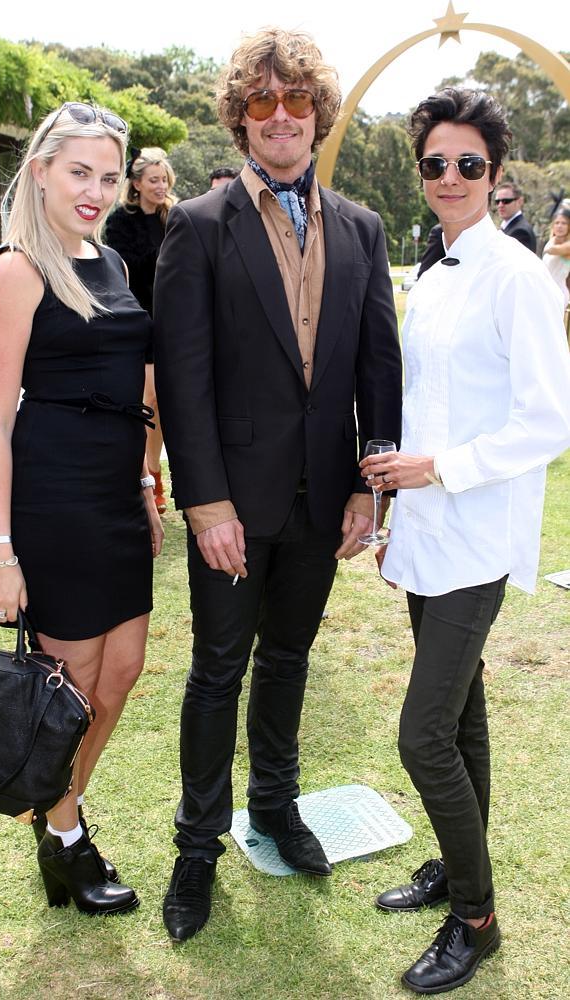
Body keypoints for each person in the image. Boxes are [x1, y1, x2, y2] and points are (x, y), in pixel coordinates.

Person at [154, 27, 402, 941]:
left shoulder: (363, 229)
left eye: (296, 100)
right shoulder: (197, 225)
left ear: (317, 112)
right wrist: (204, 503)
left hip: (323, 496)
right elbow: (182, 377)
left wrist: (370, 485)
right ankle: (195, 847)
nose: (281, 117)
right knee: (218, 670)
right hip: (231, 503)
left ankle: (275, 810)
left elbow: (380, 366)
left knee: (289, 660)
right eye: (261, 101)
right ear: (240, 116)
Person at [361, 88, 570, 994]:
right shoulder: (434, 271)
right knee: (462, 722)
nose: (450, 178)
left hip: (477, 532)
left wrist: (437, 471)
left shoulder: (515, 275)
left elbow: (548, 421)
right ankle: (458, 865)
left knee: (422, 737)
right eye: (436, 164)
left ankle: (476, 920)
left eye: (469, 164)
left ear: (496, 173)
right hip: (427, 534)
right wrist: (399, 498)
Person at [0, 102, 164, 915]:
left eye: (108, 175)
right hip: (55, 501)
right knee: (74, 683)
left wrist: (149, 485)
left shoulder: (109, 262)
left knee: (122, 673)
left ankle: (57, 811)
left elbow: (138, 390)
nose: (95, 189)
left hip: (118, 496)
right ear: (42, 171)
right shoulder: (17, 269)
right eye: (79, 171)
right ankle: (63, 835)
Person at [104, 147, 177, 514]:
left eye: (164, 179)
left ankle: (156, 469)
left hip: (172, 321)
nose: (161, 185)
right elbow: (123, 267)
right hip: (138, 318)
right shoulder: (120, 220)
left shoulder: (174, 217)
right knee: (147, 400)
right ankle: (150, 475)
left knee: (163, 403)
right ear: (136, 184)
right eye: (153, 180)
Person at [494, 180, 537, 252]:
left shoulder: (521, 232)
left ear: (520, 201)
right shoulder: (507, 227)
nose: (500, 205)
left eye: (506, 201)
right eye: (497, 201)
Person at [542, 208, 570, 309]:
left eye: (564, 223)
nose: (559, 226)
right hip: (545, 291)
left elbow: (553, 250)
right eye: (557, 223)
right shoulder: (551, 240)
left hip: (559, 292)